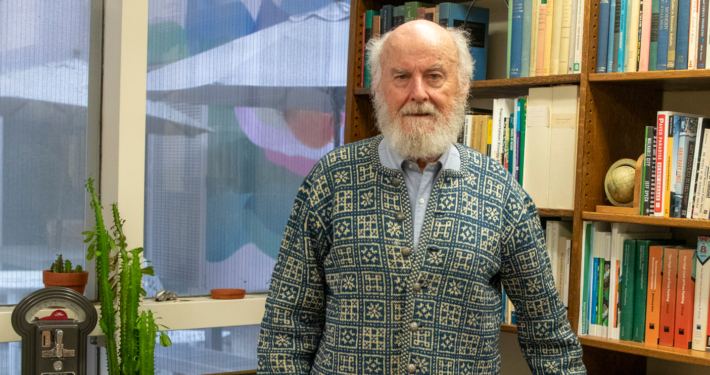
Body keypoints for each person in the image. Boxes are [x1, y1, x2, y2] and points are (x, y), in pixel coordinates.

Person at [257, 20, 586, 374]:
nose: (418, 93)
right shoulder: (330, 180)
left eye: (434, 76)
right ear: (379, 88)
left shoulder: (503, 195)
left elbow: (549, 338)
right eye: (401, 77)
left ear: (461, 86)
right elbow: (286, 328)